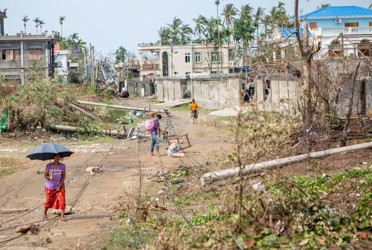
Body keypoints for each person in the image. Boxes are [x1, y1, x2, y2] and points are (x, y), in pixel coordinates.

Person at [43, 153, 66, 221]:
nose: (57, 158)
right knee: (48, 201)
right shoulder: (49, 165)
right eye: (56, 156)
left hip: (60, 186)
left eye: (59, 156)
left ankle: (62, 216)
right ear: (53, 157)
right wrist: (49, 177)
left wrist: (59, 186)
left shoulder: (62, 166)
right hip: (50, 186)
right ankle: (44, 214)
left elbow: (63, 176)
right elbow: (45, 175)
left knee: (62, 200)